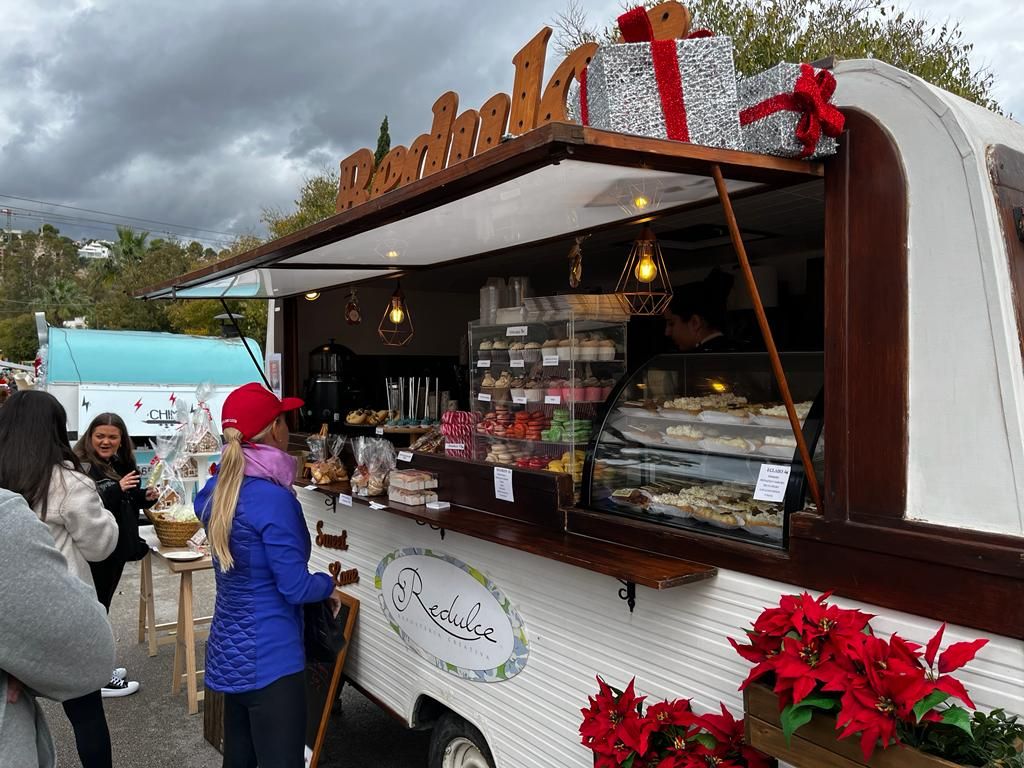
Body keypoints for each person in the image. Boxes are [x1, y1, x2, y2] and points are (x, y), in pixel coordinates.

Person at [195, 382, 338, 768]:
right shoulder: (274, 500)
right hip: (273, 660)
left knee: (238, 761)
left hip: (228, 653)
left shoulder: (214, 491)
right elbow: (294, 587)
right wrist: (328, 584)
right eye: (284, 420)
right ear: (275, 430)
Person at [0, 390, 119, 768]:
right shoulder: (67, 481)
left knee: (15, 718)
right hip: (56, 614)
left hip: (8, 616)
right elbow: (100, 545)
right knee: (85, 712)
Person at [74, 412, 157, 697]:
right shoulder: (81, 464)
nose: (106, 441)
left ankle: (99, 667)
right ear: (90, 436)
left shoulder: (120, 462)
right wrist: (116, 488)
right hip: (95, 550)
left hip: (115, 548)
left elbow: (126, 496)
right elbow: (85, 504)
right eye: (100, 436)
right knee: (95, 609)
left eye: (112, 437)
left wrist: (145, 495)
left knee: (103, 605)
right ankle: (97, 678)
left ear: (122, 440)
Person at [663, 268, 739, 352]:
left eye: (671, 323)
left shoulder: (696, 360)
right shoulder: (736, 349)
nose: (667, 332)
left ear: (695, 322)